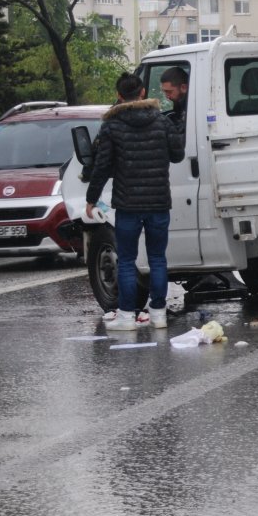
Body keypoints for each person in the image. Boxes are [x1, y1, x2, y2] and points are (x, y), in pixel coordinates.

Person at [86, 73, 185, 330]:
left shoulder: (112, 126)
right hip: (158, 202)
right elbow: (177, 155)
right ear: (142, 92)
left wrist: (91, 199)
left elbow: (101, 166)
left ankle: (127, 317)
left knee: (127, 260)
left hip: (128, 204)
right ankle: (159, 314)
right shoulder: (161, 122)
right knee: (157, 259)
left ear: (119, 96)